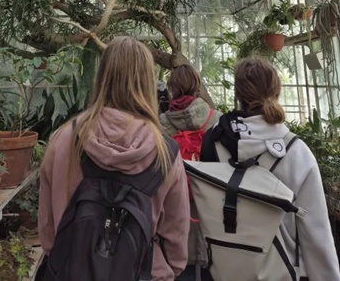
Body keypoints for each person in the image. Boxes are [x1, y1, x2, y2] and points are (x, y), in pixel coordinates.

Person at [38, 36, 190, 281]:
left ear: (102, 76)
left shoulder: (63, 139)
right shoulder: (165, 153)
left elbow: (47, 230)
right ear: (148, 82)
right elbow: (176, 238)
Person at [200, 57, 340, 281]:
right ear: (277, 91)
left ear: (238, 94)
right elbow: (316, 232)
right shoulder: (295, 152)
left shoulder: (212, 141)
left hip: (223, 269)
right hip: (282, 271)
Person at [160, 65, 222, 281]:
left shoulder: (159, 125)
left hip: (173, 218)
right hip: (211, 219)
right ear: (197, 87)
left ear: (172, 88)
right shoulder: (217, 121)